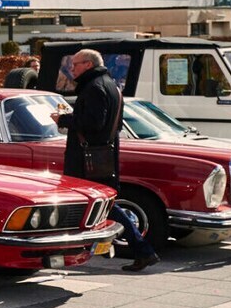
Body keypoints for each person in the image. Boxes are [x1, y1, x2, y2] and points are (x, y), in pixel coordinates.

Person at [59, 48, 157, 273]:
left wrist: (64, 119)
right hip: (103, 155)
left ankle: (141, 250)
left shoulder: (94, 87)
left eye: (75, 64)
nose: (71, 69)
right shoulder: (110, 85)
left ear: (88, 65)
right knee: (106, 205)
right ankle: (143, 251)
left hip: (88, 159)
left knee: (94, 205)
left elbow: (94, 122)